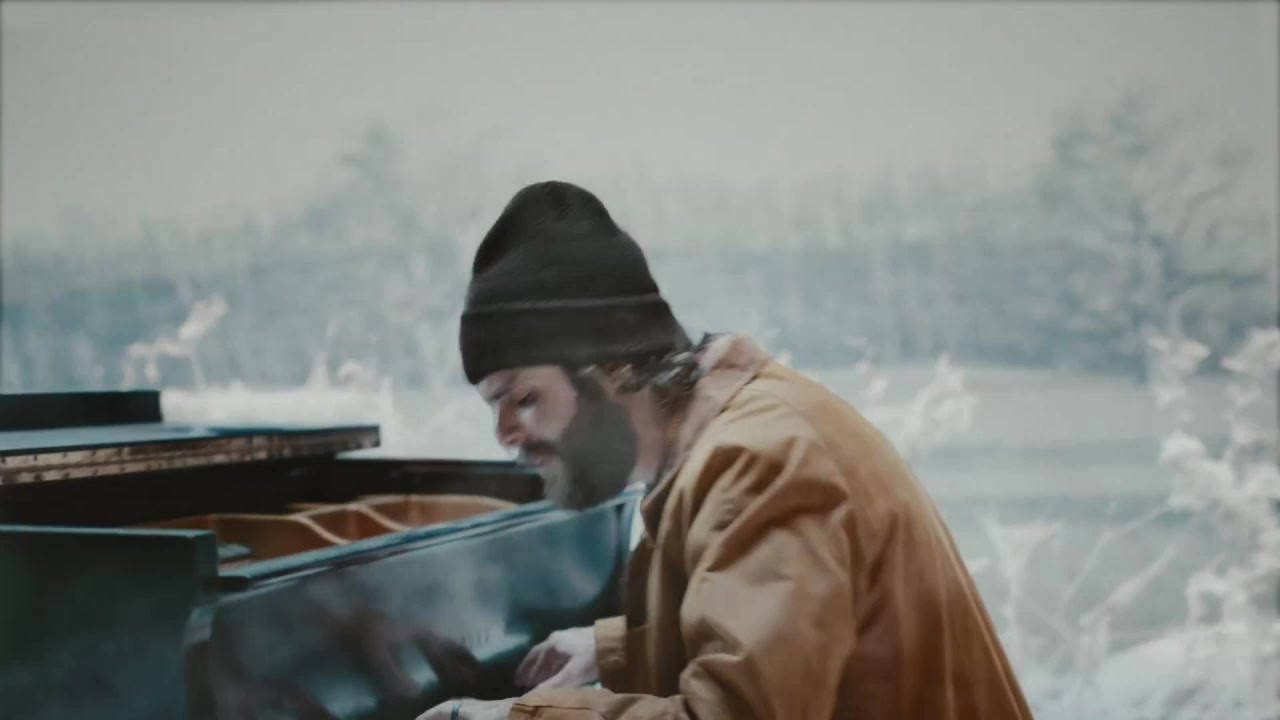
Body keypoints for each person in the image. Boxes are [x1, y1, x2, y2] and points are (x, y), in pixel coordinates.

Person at [418, 181, 1033, 720]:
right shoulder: (733, 435)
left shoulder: (762, 460)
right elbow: (793, 636)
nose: (504, 433)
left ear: (612, 367)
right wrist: (615, 651)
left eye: (523, 398)